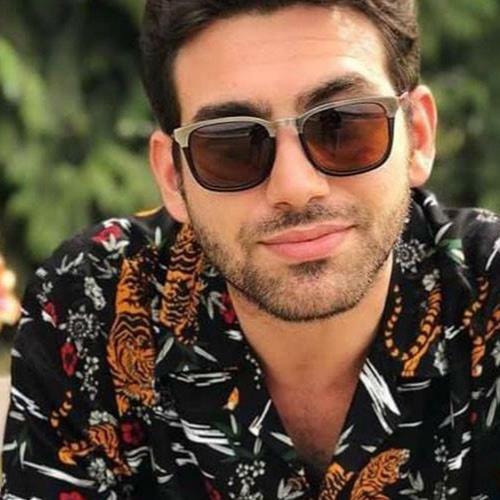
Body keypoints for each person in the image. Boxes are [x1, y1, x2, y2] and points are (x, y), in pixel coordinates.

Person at [2, 0, 499, 498]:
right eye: (232, 146)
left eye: (342, 126)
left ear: (418, 136)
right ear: (173, 177)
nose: (295, 187)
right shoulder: (90, 305)